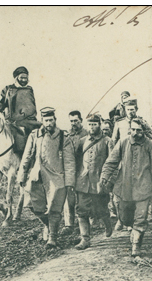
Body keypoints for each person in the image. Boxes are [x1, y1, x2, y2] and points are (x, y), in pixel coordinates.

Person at [100, 119, 152, 257]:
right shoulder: (123, 142)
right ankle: (133, 232)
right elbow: (111, 161)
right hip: (125, 188)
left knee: (140, 218)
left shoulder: (151, 146)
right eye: (133, 129)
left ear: (143, 131)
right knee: (125, 218)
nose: (135, 133)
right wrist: (105, 175)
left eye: (138, 130)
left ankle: (136, 247)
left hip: (144, 188)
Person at [18, 107, 75, 249]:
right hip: (37, 176)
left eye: (51, 120)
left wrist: (69, 182)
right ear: (42, 121)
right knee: (31, 204)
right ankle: (49, 226)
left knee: (55, 209)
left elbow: (69, 162)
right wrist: (22, 174)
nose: (49, 123)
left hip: (56, 179)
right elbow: (27, 156)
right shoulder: (34, 135)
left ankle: (52, 238)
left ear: (55, 120)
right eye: (46, 120)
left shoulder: (63, 137)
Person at [74, 114, 115, 250]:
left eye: (95, 124)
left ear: (100, 124)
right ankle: (85, 239)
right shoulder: (81, 141)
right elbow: (77, 161)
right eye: (90, 124)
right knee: (81, 210)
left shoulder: (108, 141)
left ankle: (107, 222)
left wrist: (109, 182)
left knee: (101, 209)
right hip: (83, 182)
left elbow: (113, 162)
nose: (92, 127)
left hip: (99, 182)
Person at [0, 66, 42, 143]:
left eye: (25, 78)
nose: (24, 80)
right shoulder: (8, 89)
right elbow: (3, 102)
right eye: (21, 78)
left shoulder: (29, 89)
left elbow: (31, 107)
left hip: (28, 121)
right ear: (16, 78)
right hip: (12, 121)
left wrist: (23, 116)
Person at [61, 110, 89, 234]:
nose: (73, 123)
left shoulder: (87, 134)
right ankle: (69, 224)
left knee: (83, 196)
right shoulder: (67, 136)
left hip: (84, 168)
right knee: (69, 196)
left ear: (81, 121)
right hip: (71, 170)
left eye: (76, 121)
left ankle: (86, 221)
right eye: (71, 121)